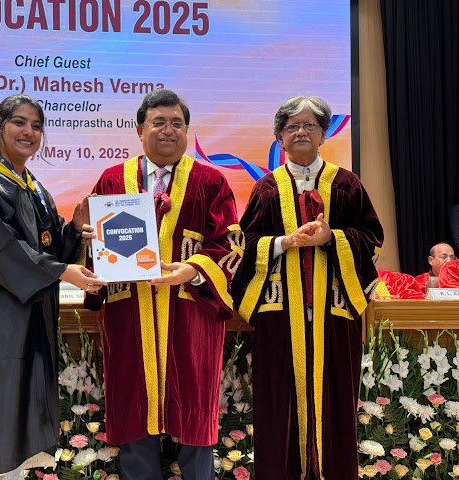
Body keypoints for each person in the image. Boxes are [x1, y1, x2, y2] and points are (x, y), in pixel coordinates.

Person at [0, 94, 106, 480]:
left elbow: (46, 244)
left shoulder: (34, 187)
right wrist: (62, 271)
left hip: (26, 319)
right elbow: (3, 249)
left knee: (18, 423)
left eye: (37, 126)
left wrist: (74, 229)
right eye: (19, 123)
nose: (29, 132)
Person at [85, 89, 240, 480]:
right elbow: (95, 248)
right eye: (159, 122)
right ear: (140, 129)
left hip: (191, 316)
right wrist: (87, 241)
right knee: (134, 412)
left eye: (177, 123)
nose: (168, 130)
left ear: (186, 130)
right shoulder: (112, 179)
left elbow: (231, 244)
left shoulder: (211, 181)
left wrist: (192, 269)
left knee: (194, 416)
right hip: (130, 315)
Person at [231, 96, 383, 480]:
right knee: (277, 407)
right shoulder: (266, 188)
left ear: (323, 135)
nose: (301, 132)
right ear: (279, 137)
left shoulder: (346, 185)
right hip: (280, 317)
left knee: (336, 405)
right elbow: (245, 245)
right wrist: (284, 242)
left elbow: (372, 238)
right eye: (292, 126)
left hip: (334, 314)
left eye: (310, 125)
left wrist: (333, 238)